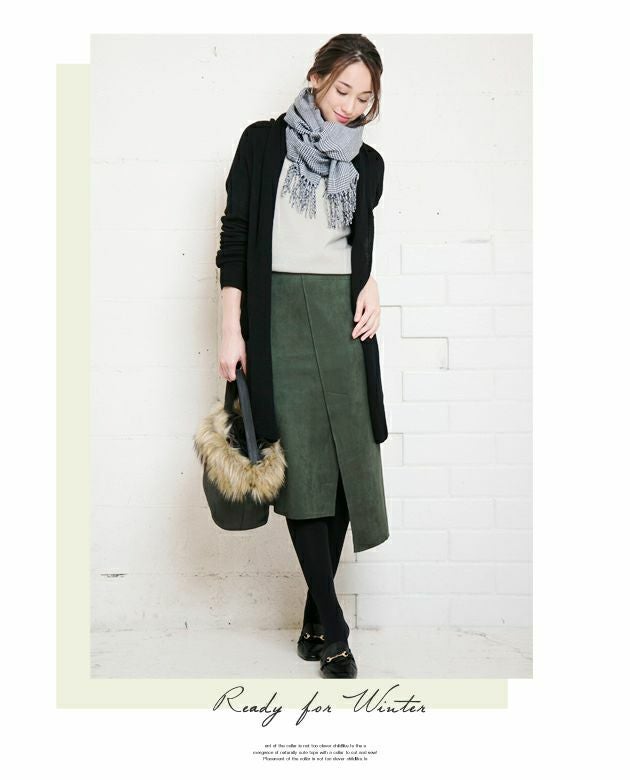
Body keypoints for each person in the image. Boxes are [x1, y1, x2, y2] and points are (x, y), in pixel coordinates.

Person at [216, 34, 389, 679]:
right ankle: (334, 626)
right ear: (316, 77)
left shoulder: (367, 163)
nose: (350, 106)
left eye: (364, 98)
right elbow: (236, 237)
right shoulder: (263, 144)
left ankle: (316, 613)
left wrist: (370, 284)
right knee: (302, 469)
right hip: (276, 318)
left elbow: (355, 243)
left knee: (344, 465)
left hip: (344, 321)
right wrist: (230, 329)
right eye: (343, 89)